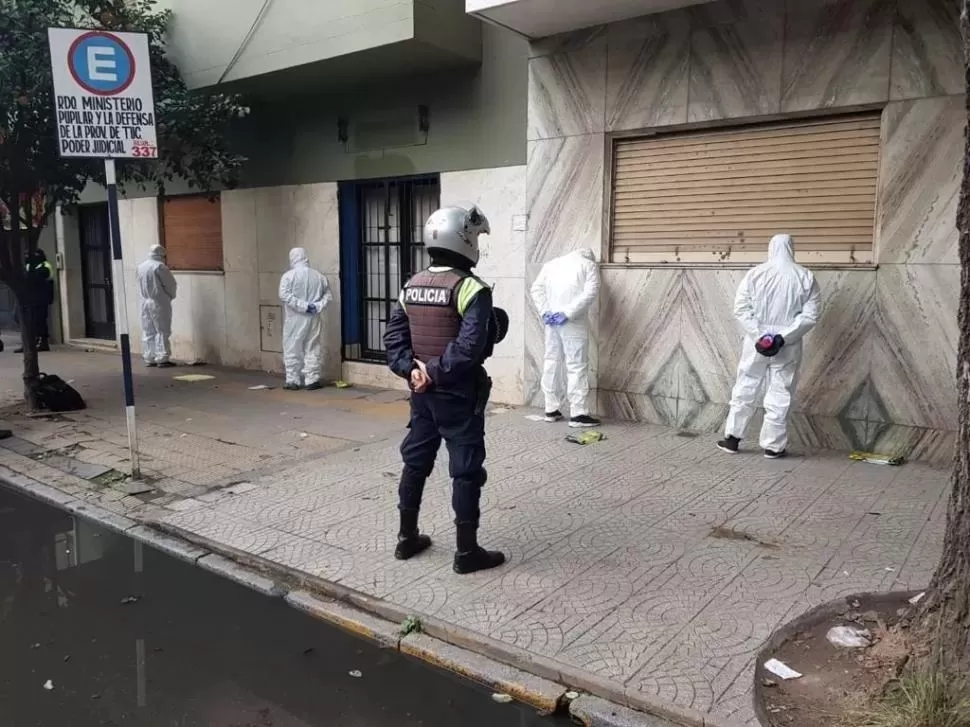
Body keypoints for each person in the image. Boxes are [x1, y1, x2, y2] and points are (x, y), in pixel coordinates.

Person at [384, 205, 510, 575]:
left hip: (422, 396)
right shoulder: (472, 288)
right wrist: (436, 374)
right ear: (464, 239)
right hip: (457, 395)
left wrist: (413, 372)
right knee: (466, 470)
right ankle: (467, 553)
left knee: (415, 462)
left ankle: (407, 539)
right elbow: (470, 347)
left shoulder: (412, 285)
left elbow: (394, 339)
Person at [718, 233, 822, 459]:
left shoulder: (755, 274)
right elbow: (810, 315)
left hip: (755, 343)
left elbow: (742, 309)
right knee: (780, 391)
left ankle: (732, 438)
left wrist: (760, 335)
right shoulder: (805, 277)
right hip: (788, 346)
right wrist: (782, 338)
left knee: (746, 384)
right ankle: (773, 446)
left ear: (771, 248)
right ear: (792, 248)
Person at [529, 248, 601, 427]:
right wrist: (568, 313)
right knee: (576, 365)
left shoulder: (551, 265)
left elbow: (536, 289)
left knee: (551, 361)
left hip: (552, 321)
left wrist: (546, 312)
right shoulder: (589, 265)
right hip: (573, 322)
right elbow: (590, 292)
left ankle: (551, 409)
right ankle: (578, 413)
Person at [279, 247, 332, 391]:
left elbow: (284, 295)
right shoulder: (319, 276)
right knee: (313, 346)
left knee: (292, 348)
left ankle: (293, 380)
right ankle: (312, 379)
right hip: (314, 317)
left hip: (295, 318)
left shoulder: (288, 277)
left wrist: (303, 306)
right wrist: (316, 306)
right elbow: (328, 295)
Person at [136, 244, 178, 368]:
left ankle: (149, 356)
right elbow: (170, 285)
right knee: (162, 330)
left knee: (148, 329)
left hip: (145, 301)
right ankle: (162, 357)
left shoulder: (141, 266)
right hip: (159, 301)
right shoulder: (160, 267)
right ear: (161, 254)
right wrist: (170, 296)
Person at [15, 249, 55, 353]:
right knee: (21, 318)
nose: (26, 257)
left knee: (39, 321)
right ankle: (29, 343)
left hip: (41, 298)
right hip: (28, 298)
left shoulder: (45, 266)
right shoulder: (28, 265)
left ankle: (42, 342)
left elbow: (35, 279)